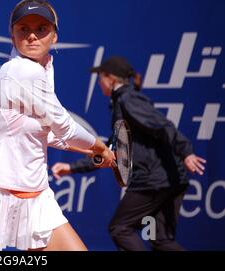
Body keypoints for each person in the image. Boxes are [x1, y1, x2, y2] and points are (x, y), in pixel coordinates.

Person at [0, 0, 115, 251]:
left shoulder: (43, 71)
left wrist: (94, 151)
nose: (32, 36)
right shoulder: (21, 71)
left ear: (54, 36)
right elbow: (63, 125)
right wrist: (100, 147)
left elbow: (47, 134)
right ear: (13, 36)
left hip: (35, 196)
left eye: (41, 29)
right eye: (24, 29)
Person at [52, 56, 206, 251]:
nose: (99, 83)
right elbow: (111, 152)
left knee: (120, 228)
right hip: (170, 180)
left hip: (153, 181)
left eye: (100, 78)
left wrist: (186, 152)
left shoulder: (128, 99)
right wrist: (72, 168)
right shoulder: (122, 101)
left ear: (110, 78)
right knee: (160, 240)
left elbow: (162, 125)